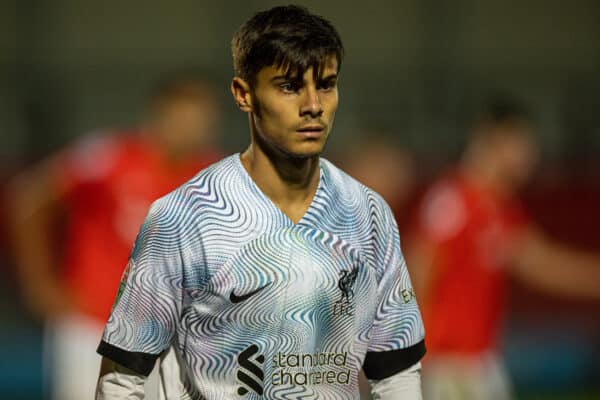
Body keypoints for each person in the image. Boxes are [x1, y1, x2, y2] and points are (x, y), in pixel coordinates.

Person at [95, 5, 426, 399]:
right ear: (243, 94)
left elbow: (396, 371)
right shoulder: (182, 217)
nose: (313, 105)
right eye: (288, 86)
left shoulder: (368, 214)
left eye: (326, 84)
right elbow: (122, 377)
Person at [8, 75, 221, 400]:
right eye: (184, 119)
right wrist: (41, 284)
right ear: (158, 115)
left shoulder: (211, 177)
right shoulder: (107, 156)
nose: (191, 130)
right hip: (92, 325)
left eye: (200, 122)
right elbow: (28, 199)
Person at [405, 98, 600, 400]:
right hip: (448, 364)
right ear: (492, 139)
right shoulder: (453, 199)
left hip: (480, 362)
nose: (529, 159)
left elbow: (541, 262)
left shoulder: (500, 209)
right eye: (522, 146)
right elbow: (419, 267)